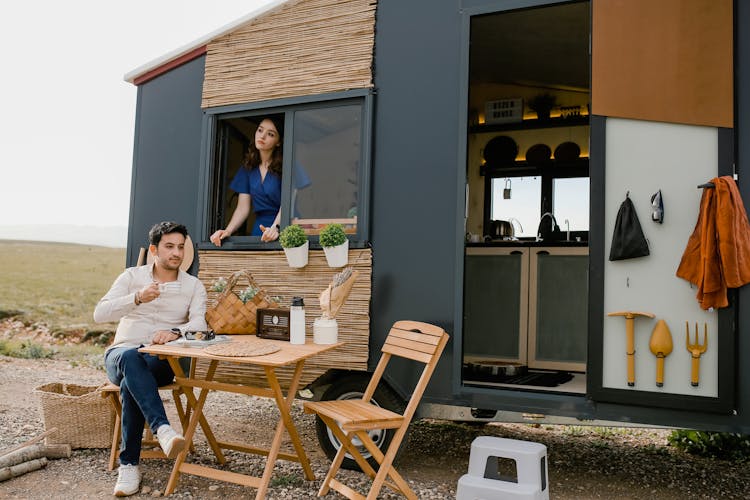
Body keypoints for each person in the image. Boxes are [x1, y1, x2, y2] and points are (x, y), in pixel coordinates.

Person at [94, 221, 207, 497]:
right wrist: (136, 298)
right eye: (169, 246)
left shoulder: (193, 285)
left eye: (180, 247)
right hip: (120, 354)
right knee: (131, 358)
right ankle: (163, 429)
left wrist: (174, 332)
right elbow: (100, 314)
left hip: (161, 361)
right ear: (154, 250)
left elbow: (200, 324)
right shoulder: (132, 277)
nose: (176, 253)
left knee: (133, 380)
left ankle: (129, 465)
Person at [211, 116, 285, 245]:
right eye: (260, 130)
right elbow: (242, 208)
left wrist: (276, 227)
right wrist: (228, 231)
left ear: (278, 142)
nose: (262, 136)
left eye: (270, 134)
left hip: (282, 226)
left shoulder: (286, 167)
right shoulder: (248, 168)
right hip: (259, 229)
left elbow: (288, 204)